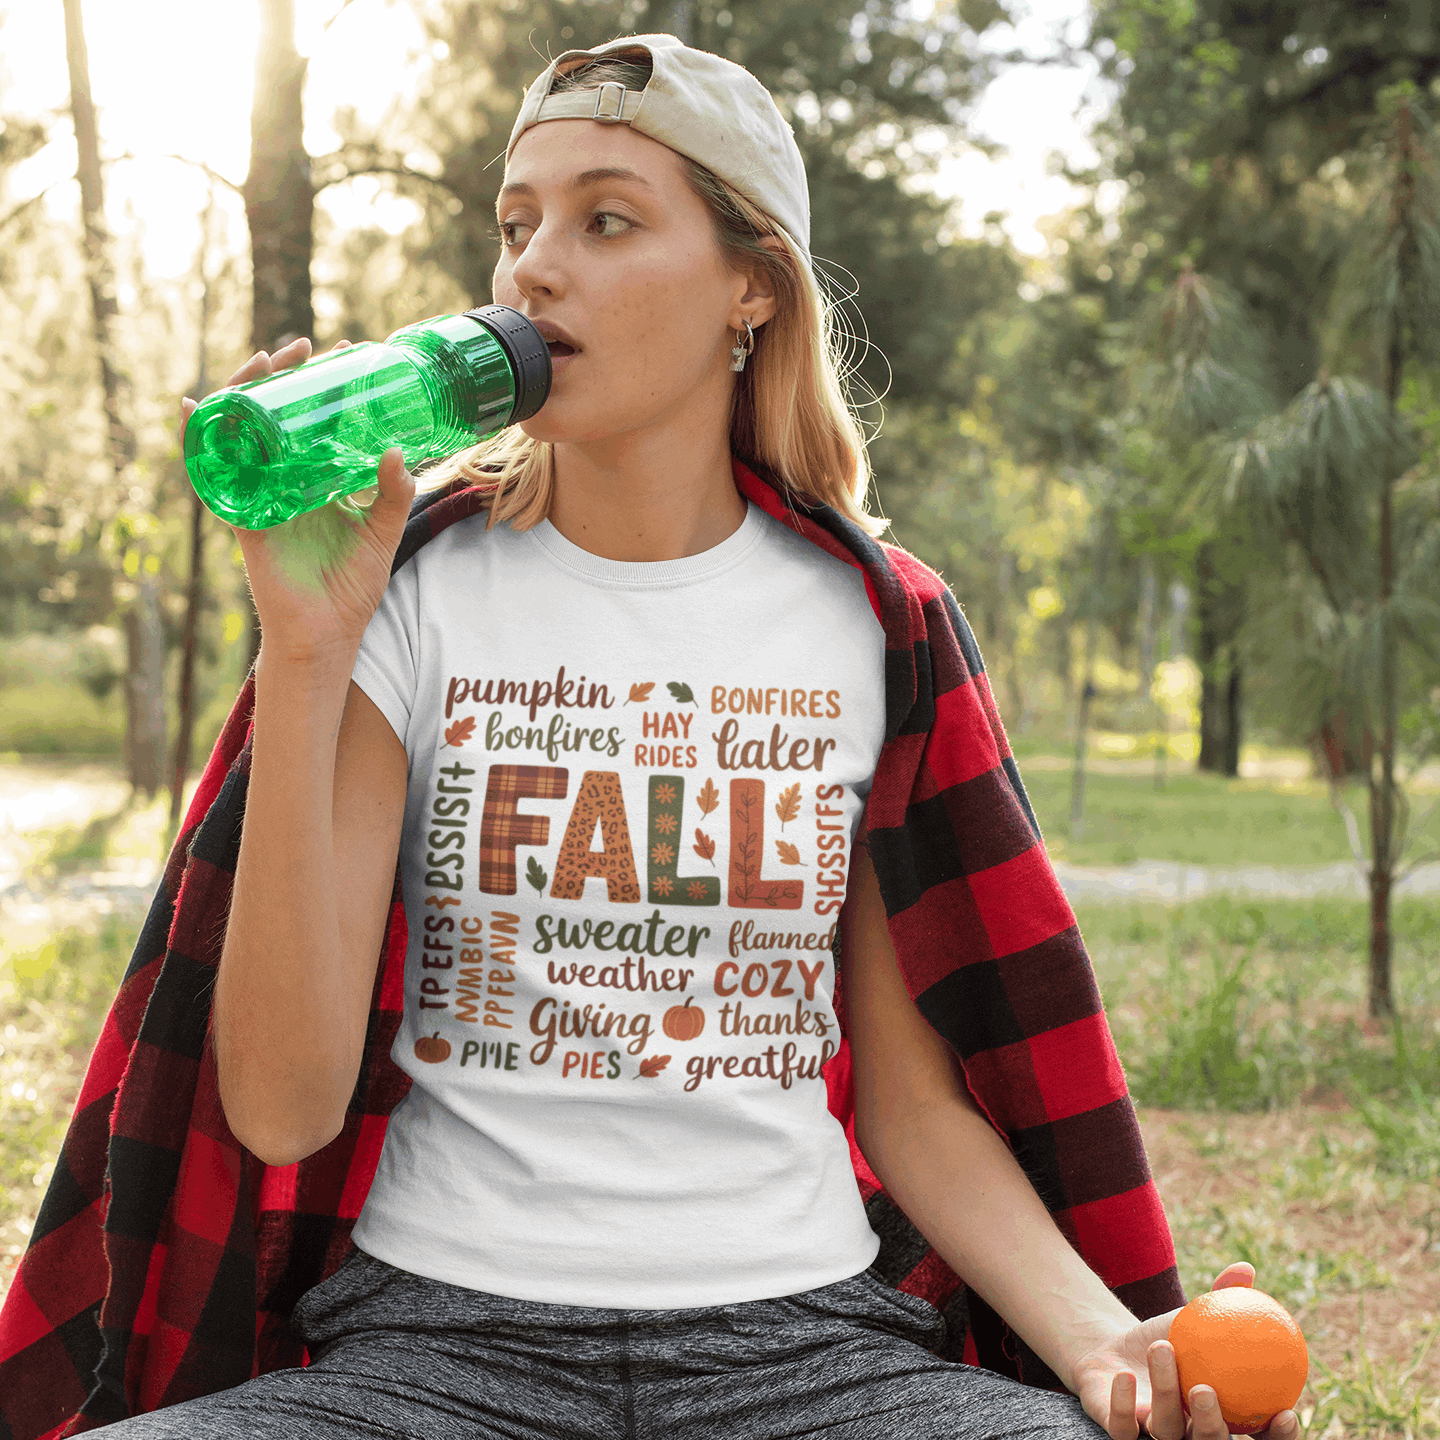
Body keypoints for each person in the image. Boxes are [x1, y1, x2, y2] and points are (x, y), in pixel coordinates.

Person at [73, 33, 1295, 1440]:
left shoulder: (873, 624)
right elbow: (281, 1109)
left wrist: (1104, 1346)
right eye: (517, 225)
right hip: (429, 1358)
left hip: (814, 1357)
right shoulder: (407, 602)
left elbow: (915, 1112)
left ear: (750, 290)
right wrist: (303, 649)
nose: (533, 269)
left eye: (606, 219)